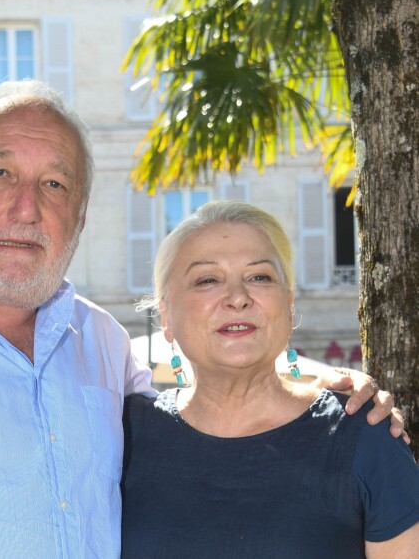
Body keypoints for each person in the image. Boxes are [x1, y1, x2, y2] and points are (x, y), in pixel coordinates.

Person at [0, 81, 405, 559]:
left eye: (54, 185)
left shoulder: (102, 342)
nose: (27, 208)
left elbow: (215, 377)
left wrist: (324, 381)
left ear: (80, 214)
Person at [121, 200, 419, 558]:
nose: (237, 298)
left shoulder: (365, 433)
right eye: (207, 280)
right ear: (166, 316)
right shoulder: (123, 435)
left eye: (259, 277)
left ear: (289, 305)